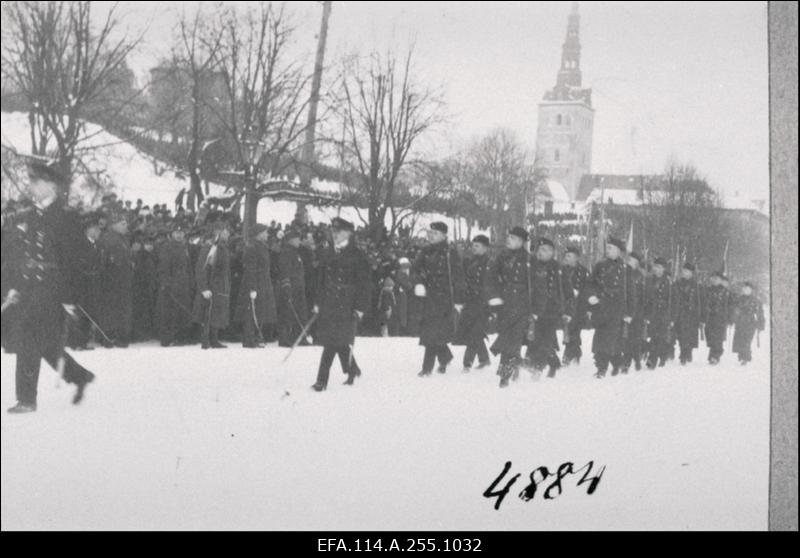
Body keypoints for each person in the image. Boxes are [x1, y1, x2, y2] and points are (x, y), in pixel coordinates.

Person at [2, 161, 95, 413]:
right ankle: (79, 376)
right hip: (31, 286)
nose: (32, 187)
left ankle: (26, 399)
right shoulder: (31, 215)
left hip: (53, 288)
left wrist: (69, 297)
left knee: (28, 338)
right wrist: (14, 286)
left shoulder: (66, 216)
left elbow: (76, 260)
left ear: (51, 185)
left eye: (37, 182)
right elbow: (23, 254)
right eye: (31, 182)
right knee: (47, 346)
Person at [310, 218, 371, 391]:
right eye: (333, 232)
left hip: (348, 303)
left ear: (349, 234)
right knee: (338, 341)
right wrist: (317, 301)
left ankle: (321, 381)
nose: (335, 235)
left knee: (332, 342)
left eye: (339, 232)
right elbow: (320, 280)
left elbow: (365, 284)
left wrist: (360, 307)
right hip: (329, 302)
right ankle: (353, 370)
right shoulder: (327, 253)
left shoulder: (358, 255)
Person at [411, 221, 466, 377]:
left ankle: (427, 368)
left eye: (435, 233)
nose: (431, 235)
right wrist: (418, 283)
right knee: (433, 333)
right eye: (430, 232)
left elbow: (458, 277)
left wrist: (459, 300)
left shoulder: (450, 252)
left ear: (443, 236)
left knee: (433, 334)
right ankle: (445, 358)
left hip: (445, 298)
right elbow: (414, 269)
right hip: (429, 297)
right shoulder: (425, 251)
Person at [488, 226, 533, 388]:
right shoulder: (502, 257)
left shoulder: (529, 260)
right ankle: (525, 365)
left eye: (513, 238)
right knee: (509, 341)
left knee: (511, 341)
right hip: (505, 304)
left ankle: (504, 377)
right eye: (509, 237)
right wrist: (494, 297)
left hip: (522, 305)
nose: (508, 240)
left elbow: (534, 285)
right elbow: (491, 278)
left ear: (521, 242)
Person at [526, 237, 573, 378]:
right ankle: (554, 364)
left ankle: (537, 367)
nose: (541, 253)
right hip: (534, 310)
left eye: (545, 250)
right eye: (539, 249)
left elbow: (568, 292)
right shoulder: (531, 266)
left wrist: (569, 311)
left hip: (553, 310)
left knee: (545, 340)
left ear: (552, 252)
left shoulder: (559, 269)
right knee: (536, 340)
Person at [587, 237, 630, 378]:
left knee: (612, 339)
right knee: (600, 338)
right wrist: (592, 296)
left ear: (618, 251)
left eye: (611, 248)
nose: (607, 250)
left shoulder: (625, 269)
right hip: (601, 306)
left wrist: (629, 312)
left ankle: (610, 365)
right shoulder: (600, 265)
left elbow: (631, 293)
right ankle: (605, 365)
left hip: (617, 308)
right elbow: (591, 284)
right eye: (607, 247)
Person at [234, 223, 277, 348]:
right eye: (265, 232)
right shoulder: (252, 247)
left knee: (259, 310)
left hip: (263, 282)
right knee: (251, 311)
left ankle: (255, 336)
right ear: (258, 234)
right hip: (254, 282)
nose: (267, 234)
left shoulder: (261, 246)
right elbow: (250, 268)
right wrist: (252, 287)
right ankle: (249, 338)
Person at [453, 234, 492, 372]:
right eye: (473, 245)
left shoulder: (490, 263)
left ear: (485, 248)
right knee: (473, 331)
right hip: (470, 301)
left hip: (483, 303)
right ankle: (484, 359)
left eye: (477, 246)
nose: (473, 248)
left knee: (475, 332)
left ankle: (467, 363)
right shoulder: (469, 261)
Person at [192, 220, 232, 349]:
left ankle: (214, 338)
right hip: (213, 285)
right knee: (209, 313)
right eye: (226, 232)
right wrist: (204, 288)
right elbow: (202, 268)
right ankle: (207, 339)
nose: (228, 234)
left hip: (221, 285)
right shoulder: (210, 248)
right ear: (218, 232)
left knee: (218, 313)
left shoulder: (222, 247)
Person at [96, 212, 133, 347]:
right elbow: (102, 261)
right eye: (123, 224)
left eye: (126, 224)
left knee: (122, 310)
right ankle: (107, 337)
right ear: (114, 225)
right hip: (110, 281)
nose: (126, 226)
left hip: (124, 281)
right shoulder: (106, 239)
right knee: (109, 310)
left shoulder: (124, 239)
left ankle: (120, 336)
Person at [157, 224, 193, 346]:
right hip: (172, 284)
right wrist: (166, 283)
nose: (179, 235)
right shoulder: (167, 247)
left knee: (180, 311)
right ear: (171, 234)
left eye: (181, 233)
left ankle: (179, 337)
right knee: (169, 312)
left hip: (183, 284)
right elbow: (164, 267)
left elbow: (188, 267)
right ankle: (167, 338)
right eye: (176, 233)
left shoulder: (184, 247)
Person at [277, 229, 309, 347]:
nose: (299, 241)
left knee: (301, 311)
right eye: (297, 239)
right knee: (287, 312)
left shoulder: (296, 252)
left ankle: (299, 337)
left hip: (299, 285)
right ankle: (284, 338)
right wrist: (286, 285)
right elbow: (284, 270)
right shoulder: (286, 252)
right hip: (291, 285)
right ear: (291, 240)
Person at [560, 246, 590, 366]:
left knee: (573, 330)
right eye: (566, 255)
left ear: (576, 258)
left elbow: (589, 288)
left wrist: (579, 293)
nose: (566, 258)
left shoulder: (583, 271)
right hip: (565, 305)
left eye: (569, 256)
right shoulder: (561, 270)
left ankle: (568, 355)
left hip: (579, 306)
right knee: (567, 330)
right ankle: (576, 352)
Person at [643, 257, 672, 369]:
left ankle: (656, 357)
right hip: (652, 312)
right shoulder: (649, 280)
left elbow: (674, 301)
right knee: (653, 336)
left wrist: (672, 317)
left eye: (659, 267)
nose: (656, 269)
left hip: (664, 313)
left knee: (660, 337)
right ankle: (654, 357)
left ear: (664, 269)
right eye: (655, 266)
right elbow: (646, 297)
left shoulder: (669, 282)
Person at [620, 251, 646, 373]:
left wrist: (643, 313)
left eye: (631, 260)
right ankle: (625, 361)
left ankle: (633, 359)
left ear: (636, 263)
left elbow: (645, 296)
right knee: (624, 338)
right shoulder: (623, 274)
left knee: (634, 338)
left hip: (637, 312)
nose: (628, 262)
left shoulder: (640, 276)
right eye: (628, 259)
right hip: (623, 310)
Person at [671, 262, 701, 365]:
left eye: (687, 271)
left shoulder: (696, 286)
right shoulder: (677, 283)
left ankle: (686, 352)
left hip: (691, 314)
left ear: (691, 273)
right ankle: (684, 352)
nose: (684, 273)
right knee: (681, 334)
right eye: (683, 271)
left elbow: (700, 302)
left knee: (689, 335)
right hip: (680, 312)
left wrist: (700, 316)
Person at [732, 282, 765, 365]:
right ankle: (741, 356)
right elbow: (734, 310)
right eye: (744, 288)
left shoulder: (756, 300)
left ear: (751, 290)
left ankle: (745, 358)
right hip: (740, 323)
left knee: (747, 341)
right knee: (740, 340)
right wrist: (732, 318)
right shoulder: (739, 299)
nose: (745, 290)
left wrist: (760, 325)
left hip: (750, 323)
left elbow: (760, 313)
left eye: (747, 288)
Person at [702, 271, 730, 364]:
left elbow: (729, 305)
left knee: (718, 337)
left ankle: (715, 356)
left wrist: (729, 317)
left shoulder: (725, 291)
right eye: (713, 278)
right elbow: (703, 302)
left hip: (720, 317)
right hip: (709, 317)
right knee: (710, 337)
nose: (714, 280)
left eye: (716, 278)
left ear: (721, 280)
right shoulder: (708, 290)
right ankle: (713, 354)